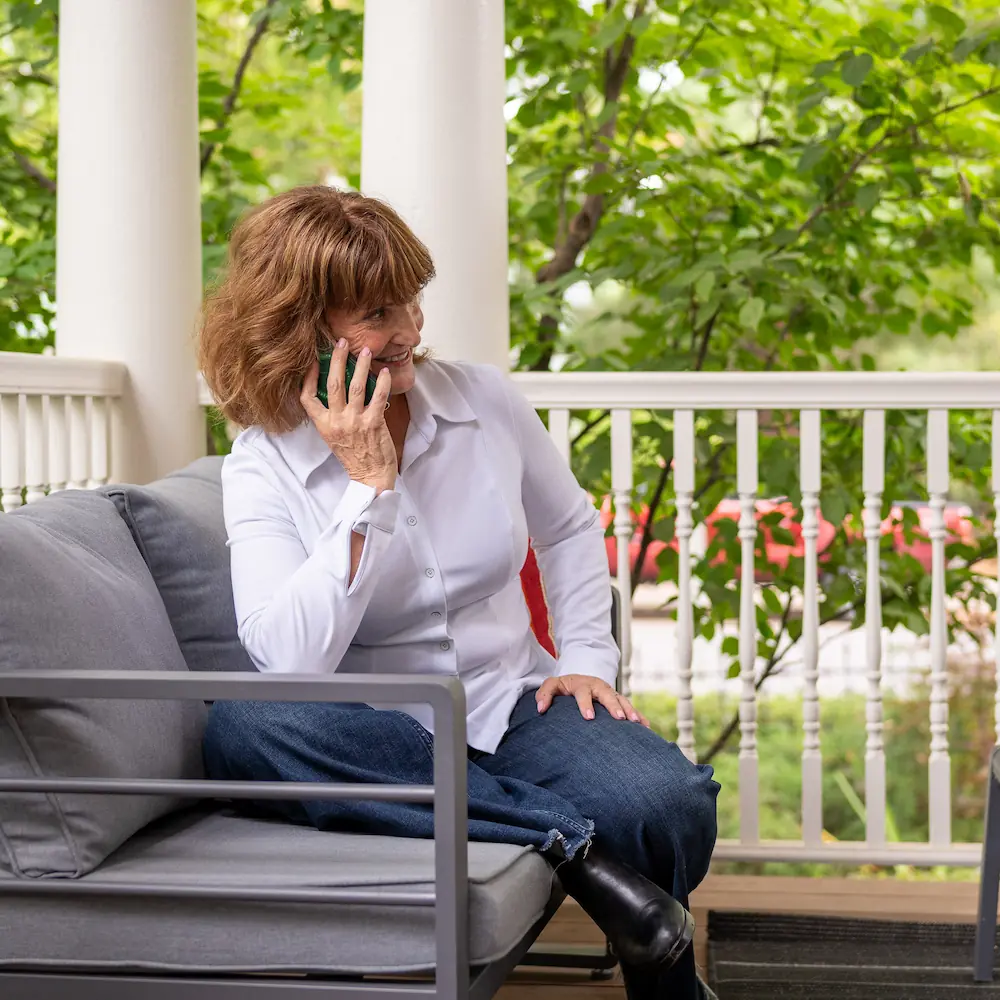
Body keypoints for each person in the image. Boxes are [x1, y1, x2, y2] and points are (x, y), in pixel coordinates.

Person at [198, 185, 720, 999]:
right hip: (373, 734)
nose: (407, 329)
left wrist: (585, 657)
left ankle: (651, 959)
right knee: (247, 728)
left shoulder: (484, 400)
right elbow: (289, 658)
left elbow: (571, 530)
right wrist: (367, 489)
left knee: (664, 800)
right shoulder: (263, 463)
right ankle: (587, 860)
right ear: (305, 327)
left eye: (410, 298)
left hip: (510, 700)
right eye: (375, 314)